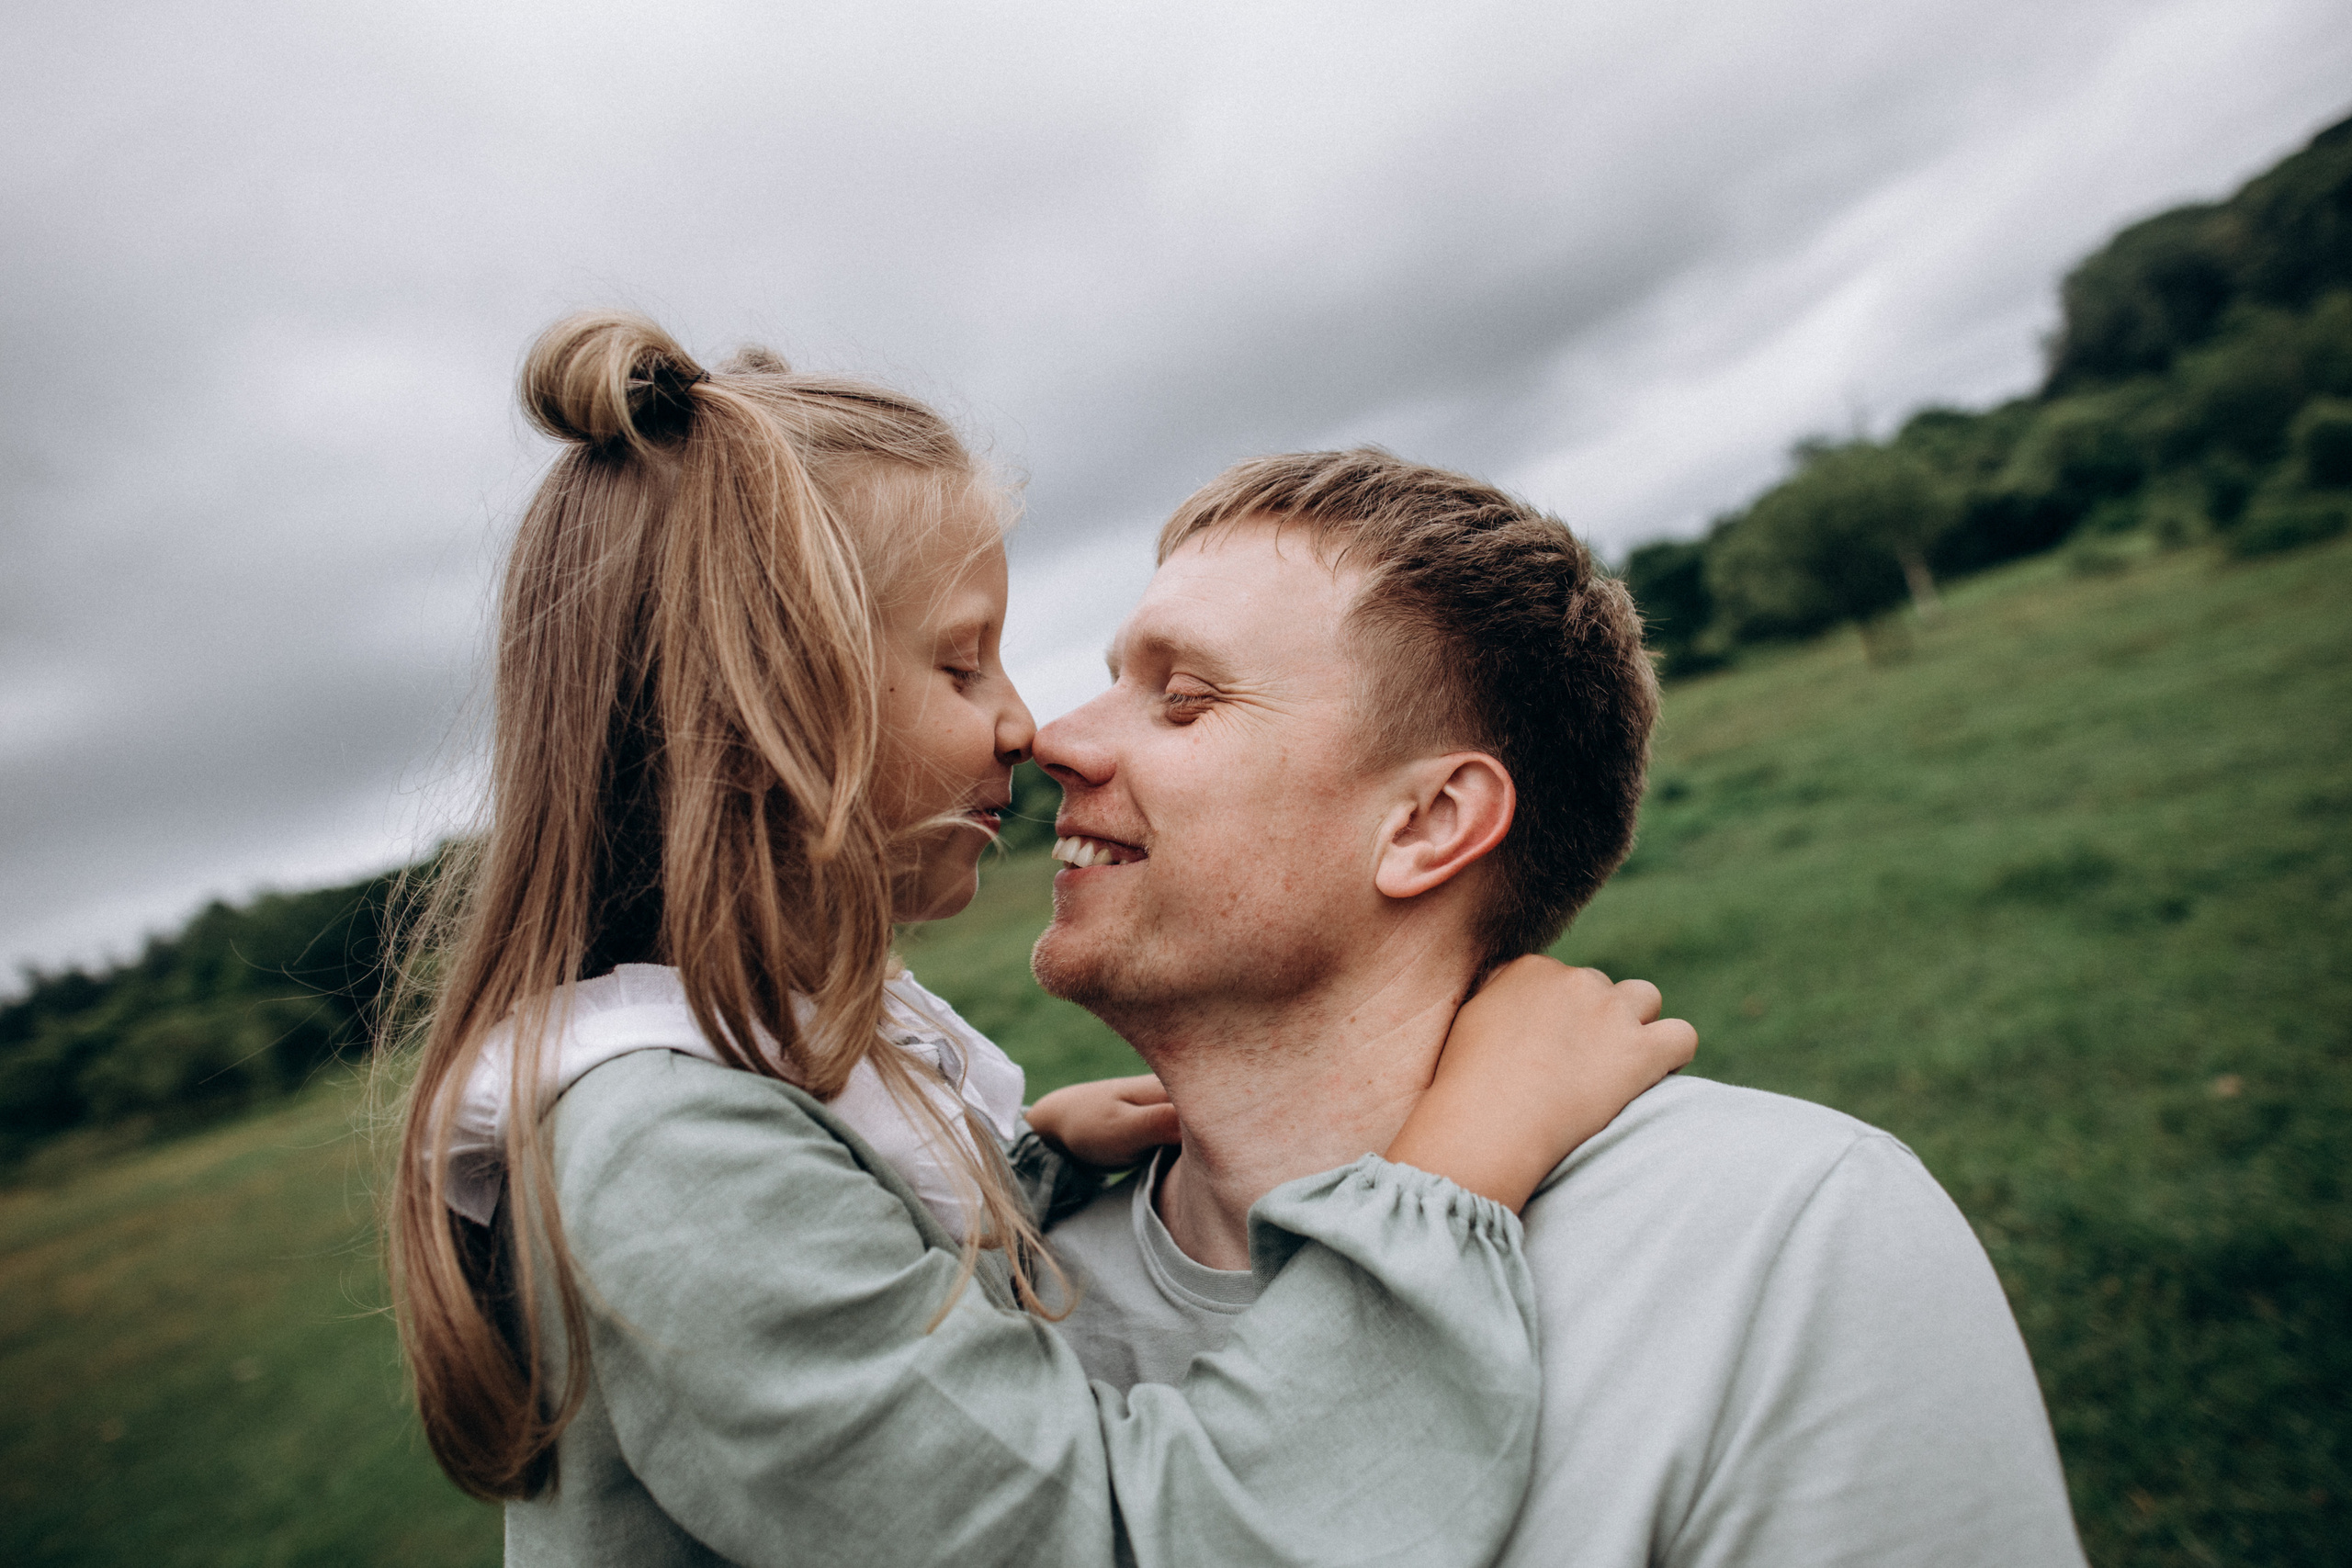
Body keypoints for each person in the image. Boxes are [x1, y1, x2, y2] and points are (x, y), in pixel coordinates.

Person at [386, 315, 1697, 1568]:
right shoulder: (662, 1152)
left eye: (1180, 698)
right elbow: (1123, 1537)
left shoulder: (755, 1082)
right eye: (963, 666)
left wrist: (1012, 1180)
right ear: (764, 707)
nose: (1032, 727)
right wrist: (1456, 1167)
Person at [1033, 448, 2091, 1567]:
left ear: (1427, 823)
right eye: (1108, 681)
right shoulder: (989, 1285)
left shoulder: (1787, 1242)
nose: (1055, 738)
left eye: (1183, 698)